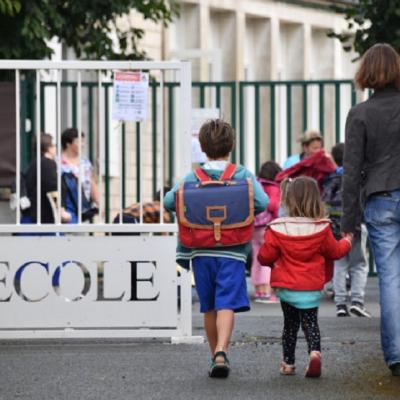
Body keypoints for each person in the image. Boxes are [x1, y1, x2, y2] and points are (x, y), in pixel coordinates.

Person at [164, 119, 268, 378]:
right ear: (231, 145)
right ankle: (222, 349)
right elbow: (262, 202)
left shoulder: (192, 177)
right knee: (227, 303)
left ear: (202, 147)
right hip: (232, 249)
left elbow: (169, 201)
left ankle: (215, 356)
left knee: (208, 305)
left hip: (200, 249)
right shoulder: (242, 174)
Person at [341, 43, 400, 377]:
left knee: (390, 279)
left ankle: (396, 356)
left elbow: (351, 172)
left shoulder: (360, 114)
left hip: (381, 198)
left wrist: (348, 223)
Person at [258, 177, 352, 378]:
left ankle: (288, 363)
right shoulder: (322, 228)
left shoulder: (278, 228)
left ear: (289, 199)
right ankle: (315, 352)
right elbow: (335, 251)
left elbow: (265, 256)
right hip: (310, 286)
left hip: (287, 286)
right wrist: (347, 241)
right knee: (311, 323)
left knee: (290, 325)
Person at [322, 143, 370, 318]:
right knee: (359, 264)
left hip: (336, 228)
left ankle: (340, 304)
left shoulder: (330, 180)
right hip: (357, 225)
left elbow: (324, 202)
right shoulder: (358, 176)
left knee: (340, 265)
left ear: (334, 160)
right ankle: (357, 301)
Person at [22, 133, 71, 227]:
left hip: (33, 216)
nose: (56, 148)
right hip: (43, 219)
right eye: (54, 145)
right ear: (48, 148)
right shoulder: (47, 164)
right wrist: (61, 211)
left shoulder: (35, 163)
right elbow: (52, 188)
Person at [251, 160, 281, 303]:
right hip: (266, 226)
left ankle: (258, 290)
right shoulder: (273, 187)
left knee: (257, 258)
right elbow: (273, 205)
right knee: (268, 259)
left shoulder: (256, 185)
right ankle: (267, 291)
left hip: (253, 226)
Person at [61, 128, 99, 223]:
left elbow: (92, 183)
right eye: (79, 142)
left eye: (83, 142)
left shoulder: (85, 162)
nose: (83, 145)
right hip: (64, 209)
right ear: (68, 144)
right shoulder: (57, 162)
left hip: (83, 209)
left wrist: (99, 203)